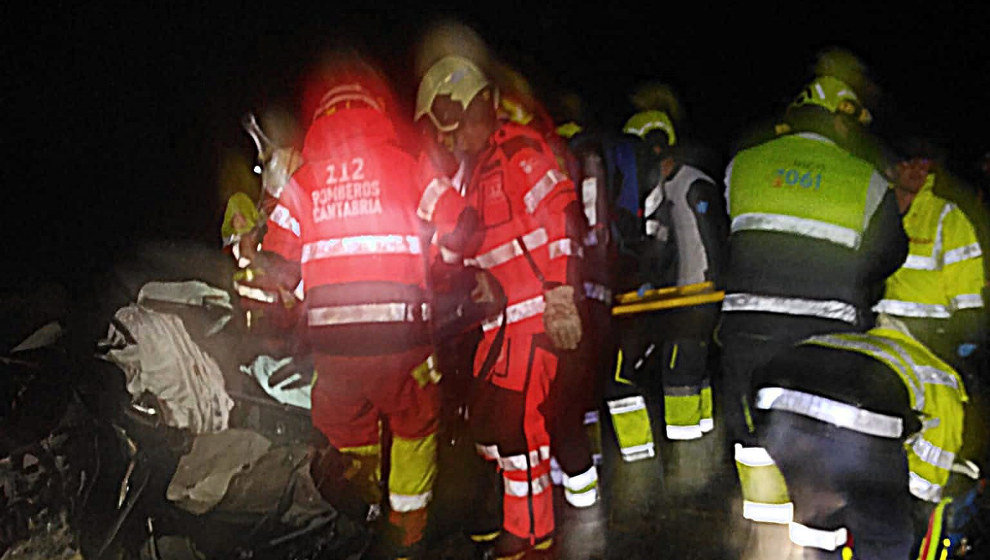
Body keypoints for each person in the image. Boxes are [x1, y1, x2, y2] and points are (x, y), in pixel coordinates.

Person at [258, 53, 449, 557]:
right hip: (401, 343)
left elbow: (275, 264)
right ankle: (406, 537)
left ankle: (357, 528)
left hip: (335, 353)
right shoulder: (407, 163)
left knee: (349, 437)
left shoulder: (303, 182)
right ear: (376, 108)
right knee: (414, 424)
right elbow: (455, 223)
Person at [416, 54, 585, 559]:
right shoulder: (473, 171)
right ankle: (512, 521)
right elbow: (458, 247)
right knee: (490, 429)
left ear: (471, 108)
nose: (449, 139)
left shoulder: (517, 151)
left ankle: (532, 535)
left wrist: (560, 298)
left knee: (519, 429)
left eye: (452, 125)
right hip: (500, 322)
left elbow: (562, 214)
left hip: (533, 317)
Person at [721, 67, 908, 523]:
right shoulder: (866, 180)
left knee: (753, 444)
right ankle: (816, 541)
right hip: (825, 337)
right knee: (818, 455)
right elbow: (890, 255)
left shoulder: (743, 163)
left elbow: (729, 234)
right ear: (841, 123)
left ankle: (765, 538)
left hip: (747, 331)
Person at [750, 316, 971, 559]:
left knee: (816, 513)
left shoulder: (861, 343)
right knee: (884, 529)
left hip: (776, 405)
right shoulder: (941, 379)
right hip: (856, 416)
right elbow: (924, 483)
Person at [620, 83, 728, 443]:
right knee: (693, 374)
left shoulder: (693, 185)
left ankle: (688, 460)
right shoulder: (660, 191)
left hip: (697, 297)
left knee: (680, 373)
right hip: (678, 299)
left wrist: (716, 293)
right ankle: (703, 441)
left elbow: (713, 240)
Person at [876, 147, 986, 376]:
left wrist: (968, 323)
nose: (917, 169)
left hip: (930, 330)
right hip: (876, 323)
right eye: (908, 161)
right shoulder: (874, 208)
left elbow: (964, 269)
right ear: (891, 167)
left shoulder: (946, 214)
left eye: (924, 163)